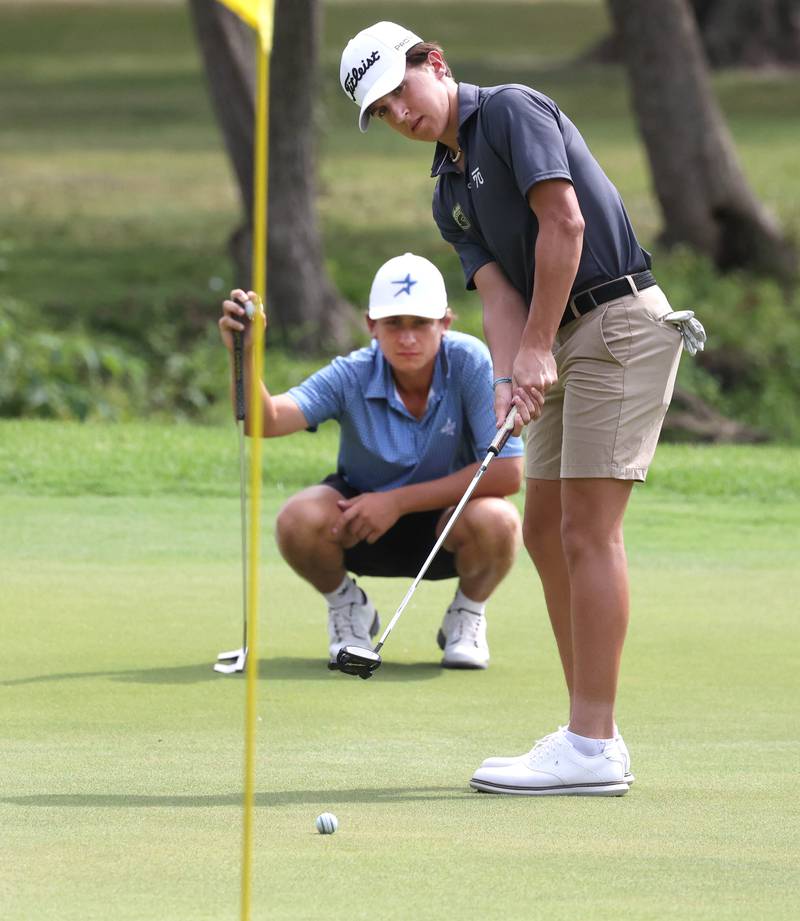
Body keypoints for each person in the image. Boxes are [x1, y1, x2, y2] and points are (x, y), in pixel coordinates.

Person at [340, 21, 703, 795]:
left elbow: (563, 223)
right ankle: (588, 731)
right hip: (557, 337)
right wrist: (509, 378)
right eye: (384, 112)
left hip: (616, 324)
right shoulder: (446, 192)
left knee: (586, 527)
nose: (402, 116)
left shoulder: (509, 111)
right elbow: (500, 292)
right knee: (542, 527)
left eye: (402, 91)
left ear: (433, 62)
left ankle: (592, 743)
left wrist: (538, 348)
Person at [218, 252, 523, 671]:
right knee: (297, 519)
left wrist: (396, 501)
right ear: (371, 326)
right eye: (394, 324)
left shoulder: (470, 361)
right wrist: (246, 355)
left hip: (449, 524)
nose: (408, 338)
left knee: (500, 520)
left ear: (446, 324)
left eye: (421, 324)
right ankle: (348, 607)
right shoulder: (353, 372)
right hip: (362, 523)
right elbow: (262, 421)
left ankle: (466, 614)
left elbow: (507, 471)